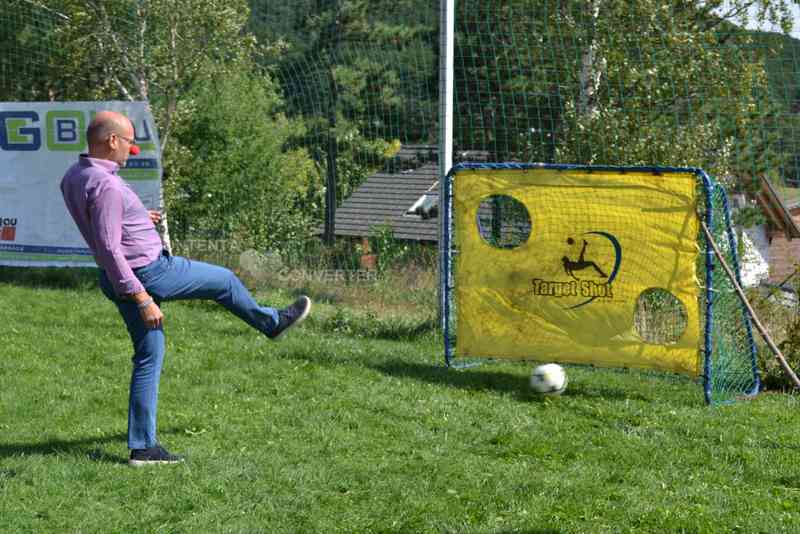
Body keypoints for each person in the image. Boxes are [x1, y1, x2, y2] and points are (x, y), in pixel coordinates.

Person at [60, 111, 311, 466]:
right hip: (147, 274)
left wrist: (136, 217)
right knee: (224, 280)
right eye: (129, 142)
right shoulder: (109, 187)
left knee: (148, 356)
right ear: (112, 140)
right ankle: (272, 323)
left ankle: (143, 448)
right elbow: (111, 247)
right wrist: (143, 298)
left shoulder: (75, 175)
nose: (131, 149)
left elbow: (103, 224)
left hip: (115, 277)